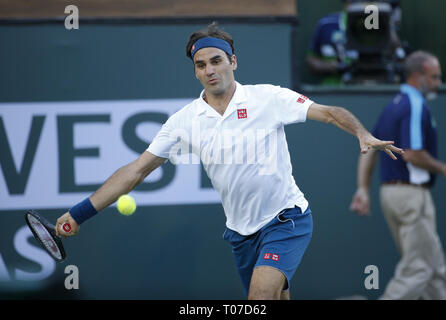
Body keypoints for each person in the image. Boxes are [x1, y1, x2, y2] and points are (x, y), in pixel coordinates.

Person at [55, 22, 402, 300]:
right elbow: (136, 170)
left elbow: (328, 113)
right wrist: (80, 213)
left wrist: (361, 133)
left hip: (286, 218)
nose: (210, 70)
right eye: (201, 65)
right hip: (240, 233)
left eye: (217, 61)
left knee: (259, 297)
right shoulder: (183, 121)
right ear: (195, 71)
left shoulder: (268, 97)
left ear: (232, 61)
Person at [350, 51, 446, 299]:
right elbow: (413, 154)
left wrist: (362, 188)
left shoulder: (394, 105)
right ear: (418, 77)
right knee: (418, 269)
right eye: (434, 77)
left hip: (391, 195)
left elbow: (369, 148)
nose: (438, 83)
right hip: (411, 198)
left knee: (434, 270)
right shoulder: (414, 104)